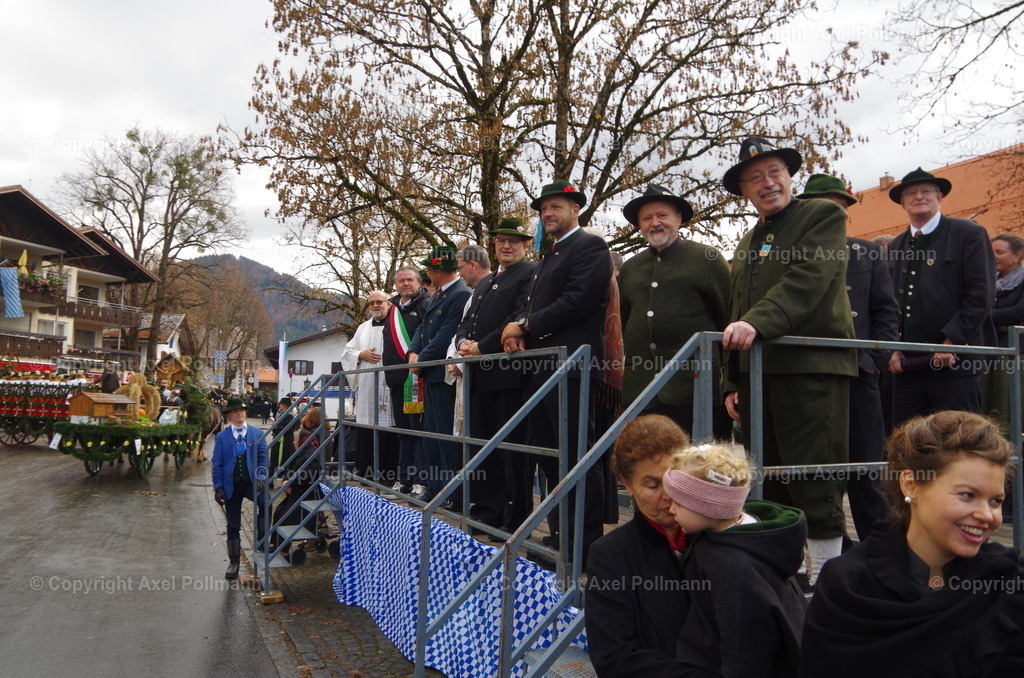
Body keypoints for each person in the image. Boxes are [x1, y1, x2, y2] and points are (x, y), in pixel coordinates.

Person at [720, 136, 857, 584]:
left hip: (809, 369)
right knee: (771, 478)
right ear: (743, 190)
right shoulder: (748, 240)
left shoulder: (822, 215)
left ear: (789, 176)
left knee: (813, 475)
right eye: (754, 178)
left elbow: (809, 277)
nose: (767, 183)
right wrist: (731, 381)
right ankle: (789, 575)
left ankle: (827, 583)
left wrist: (759, 321)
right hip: (760, 377)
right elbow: (735, 310)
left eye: (774, 172)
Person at [801, 411, 1024, 677]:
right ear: (911, 485)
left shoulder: (1008, 585)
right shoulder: (848, 588)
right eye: (967, 495)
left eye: (995, 501)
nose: (987, 515)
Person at [502, 179, 612, 568]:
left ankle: (584, 546)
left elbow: (577, 301)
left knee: (578, 457)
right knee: (552, 459)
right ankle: (561, 534)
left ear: (575, 210)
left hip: (575, 367)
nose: (549, 213)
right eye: (544, 208)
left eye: (557, 207)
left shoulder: (590, 246)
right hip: (544, 366)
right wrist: (520, 332)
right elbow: (539, 305)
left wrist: (525, 326)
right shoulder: (550, 253)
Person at [798, 173, 900, 541]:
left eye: (838, 207)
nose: (832, 214)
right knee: (812, 468)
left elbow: (887, 311)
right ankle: (825, 550)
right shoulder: (792, 252)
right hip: (808, 373)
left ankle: (879, 548)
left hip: (858, 370)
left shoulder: (868, 252)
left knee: (868, 464)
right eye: (821, 207)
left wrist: (877, 356)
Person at [664, 443, 806, 677]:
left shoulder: (732, 567)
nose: (670, 509)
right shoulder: (750, 535)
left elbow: (744, 649)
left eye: (678, 502)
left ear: (707, 506)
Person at [619, 183, 730, 437]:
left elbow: (728, 323)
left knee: (699, 471)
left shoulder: (708, 259)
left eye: (662, 215)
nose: (655, 223)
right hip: (643, 394)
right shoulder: (631, 268)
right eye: (647, 218)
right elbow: (626, 323)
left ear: (678, 218)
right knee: (650, 470)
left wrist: (730, 384)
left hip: (695, 393)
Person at [886, 168, 996, 425]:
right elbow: (888, 302)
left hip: (955, 362)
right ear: (902, 203)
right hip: (907, 365)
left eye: (927, 191)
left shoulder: (967, 233)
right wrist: (892, 348)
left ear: (940, 197)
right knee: (908, 441)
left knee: (960, 438)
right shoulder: (895, 246)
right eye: (911, 193)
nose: (919, 196)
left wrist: (951, 341)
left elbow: (981, 294)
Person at [585, 415, 691, 677]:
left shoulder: (718, 534)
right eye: (652, 485)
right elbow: (615, 659)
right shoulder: (610, 556)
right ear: (627, 484)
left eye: (674, 479)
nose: (667, 495)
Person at [456, 220, 536, 530]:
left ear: (524, 245)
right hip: (480, 376)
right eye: (502, 241)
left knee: (510, 449)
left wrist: (482, 346)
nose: (507, 246)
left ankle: (513, 517)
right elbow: (467, 321)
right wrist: (463, 342)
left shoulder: (530, 274)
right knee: (483, 446)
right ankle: (488, 510)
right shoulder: (486, 283)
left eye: (514, 242)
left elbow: (518, 317)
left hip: (508, 375)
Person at [407, 246, 472, 503]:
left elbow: (447, 333)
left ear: (438, 270)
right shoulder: (438, 294)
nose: (426, 272)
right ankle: (435, 488)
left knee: (446, 437)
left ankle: (451, 492)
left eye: (429, 268)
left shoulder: (461, 293)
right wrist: (413, 352)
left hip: (445, 374)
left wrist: (421, 359)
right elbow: (424, 327)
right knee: (432, 436)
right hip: (431, 373)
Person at [382, 265, 430, 496]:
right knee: (403, 431)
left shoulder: (425, 305)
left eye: (410, 279)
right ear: (395, 284)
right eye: (401, 281)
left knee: (418, 431)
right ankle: (404, 479)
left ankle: (422, 480)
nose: (406, 284)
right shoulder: (391, 310)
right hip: (396, 379)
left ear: (419, 282)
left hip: (418, 379)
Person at [340, 290, 395, 482]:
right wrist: (360, 355)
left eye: (380, 301)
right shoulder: (362, 328)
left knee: (389, 426)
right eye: (371, 303)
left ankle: (387, 473)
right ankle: (363, 468)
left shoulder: (396, 325)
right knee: (365, 427)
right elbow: (347, 353)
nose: (375, 305)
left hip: (388, 384)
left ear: (389, 303)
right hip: (367, 385)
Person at [211, 397, 268, 580]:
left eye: (242, 410)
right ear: (229, 415)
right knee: (233, 524)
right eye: (236, 411)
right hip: (231, 485)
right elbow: (217, 463)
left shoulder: (256, 434)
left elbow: (263, 459)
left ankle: (261, 542)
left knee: (266, 502)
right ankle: (234, 562)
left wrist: (261, 476)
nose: (240, 413)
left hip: (250, 483)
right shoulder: (222, 437)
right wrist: (218, 487)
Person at [269, 397, 296, 476]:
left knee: (278, 459)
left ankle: (275, 478)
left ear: (284, 405)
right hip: (283, 440)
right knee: (277, 459)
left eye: (280, 404)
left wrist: (275, 427)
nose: (279, 405)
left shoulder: (288, 416)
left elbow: (285, 429)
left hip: (284, 441)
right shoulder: (285, 414)